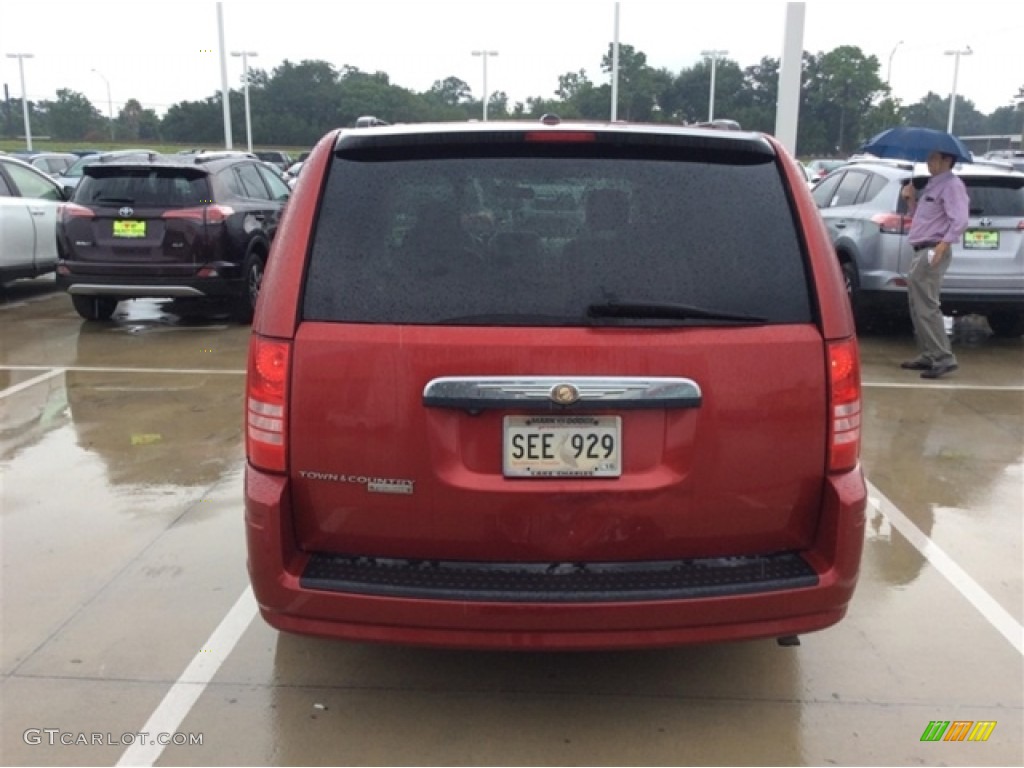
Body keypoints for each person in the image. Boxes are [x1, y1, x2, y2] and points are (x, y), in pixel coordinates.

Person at [899, 150, 970, 379]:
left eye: (933, 158)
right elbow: (925, 218)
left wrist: (942, 246)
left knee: (927, 305)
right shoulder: (934, 185)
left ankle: (942, 357)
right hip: (922, 249)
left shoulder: (951, 185)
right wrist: (911, 200)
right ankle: (929, 354)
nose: (929, 162)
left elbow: (959, 220)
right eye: (928, 158)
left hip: (932, 250)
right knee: (916, 303)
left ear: (947, 161)